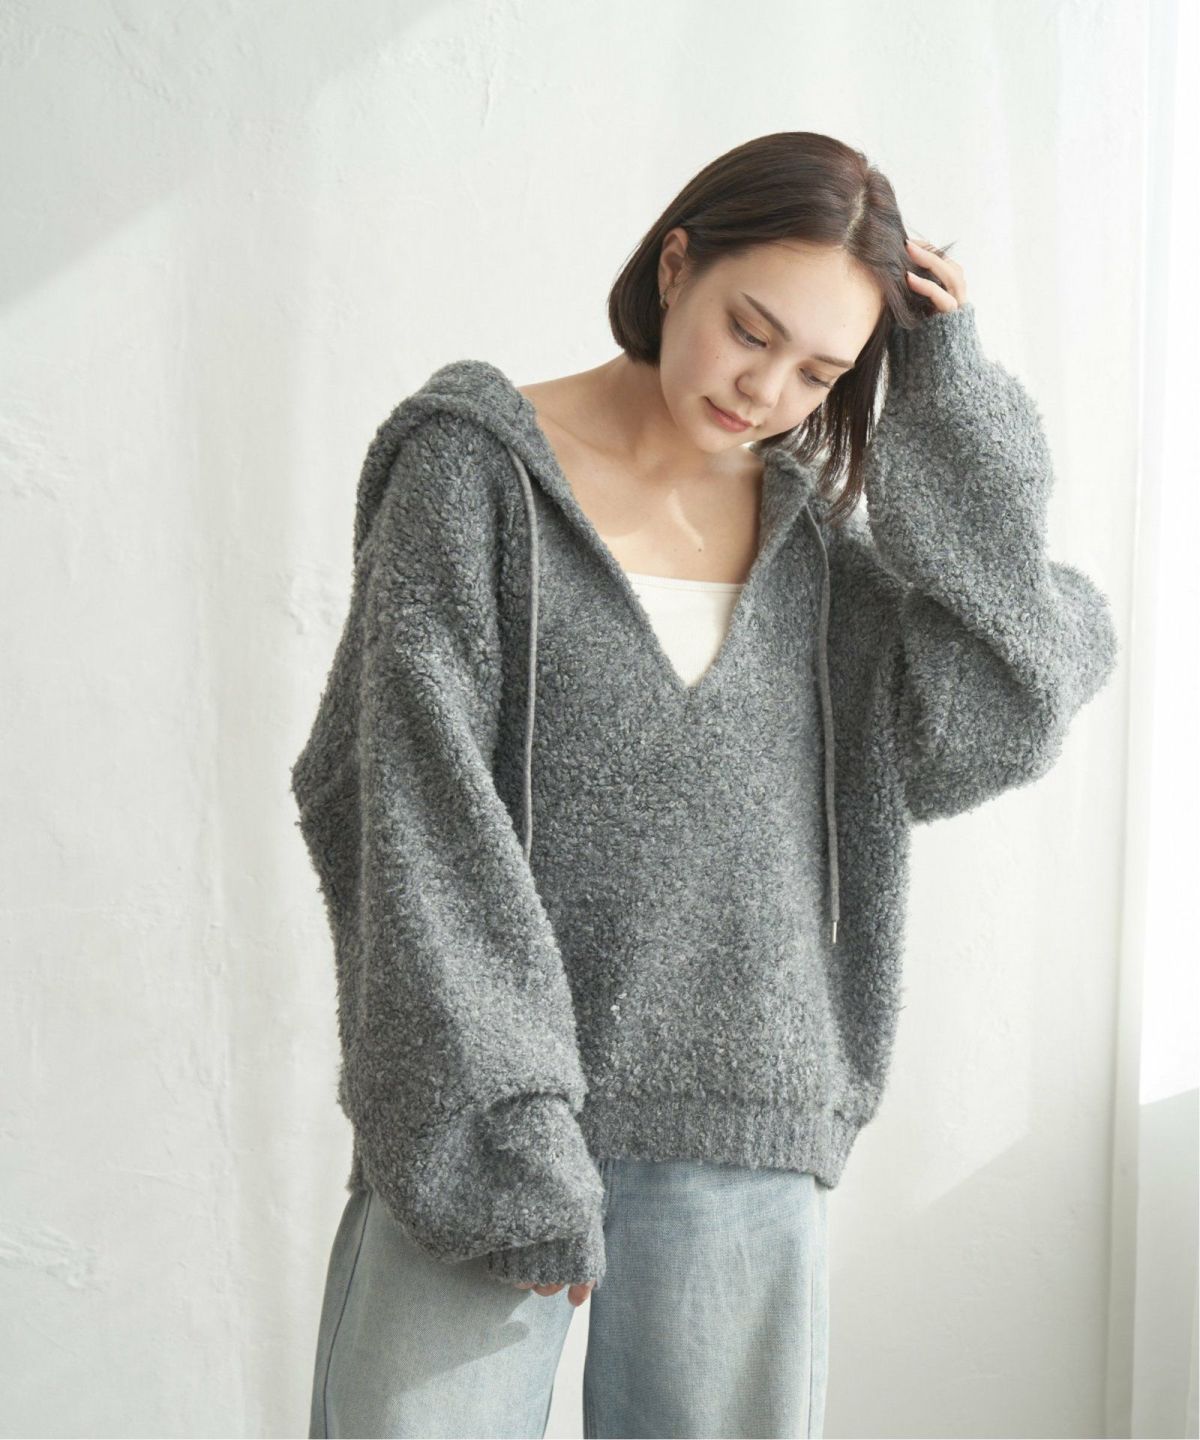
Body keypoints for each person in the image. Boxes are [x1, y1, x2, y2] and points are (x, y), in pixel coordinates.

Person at [291, 130, 1118, 1438]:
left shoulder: (822, 564)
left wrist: (950, 397)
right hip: (476, 1118)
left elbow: (1009, 694)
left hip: (744, 1125)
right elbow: (409, 807)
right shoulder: (472, 473)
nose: (768, 389)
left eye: (821, 371)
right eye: (751, 330)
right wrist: (502, 1119)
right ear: (677, 265)